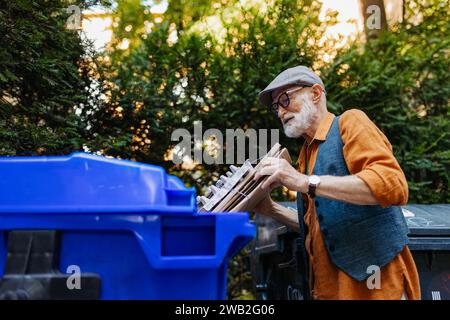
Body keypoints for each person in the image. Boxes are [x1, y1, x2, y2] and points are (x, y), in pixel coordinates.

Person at [253, 65, 421, 300]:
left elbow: (392, 185)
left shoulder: (350, 122)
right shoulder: (306, 154)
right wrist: (270, 209)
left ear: (315, 93)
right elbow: (319, 225)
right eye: (275, 106)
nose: (280, 112)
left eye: (285, 99)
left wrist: (302, 181)